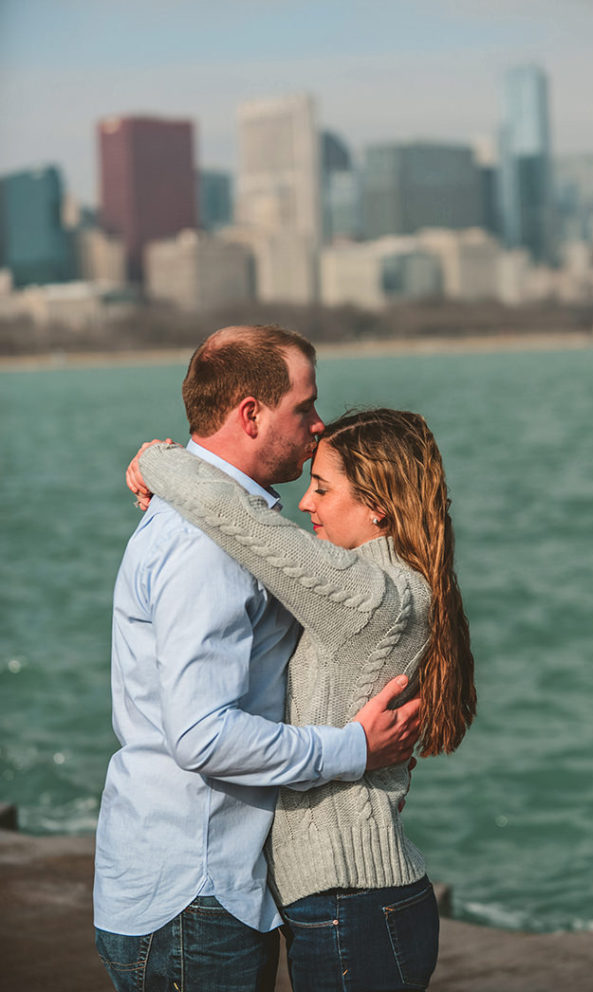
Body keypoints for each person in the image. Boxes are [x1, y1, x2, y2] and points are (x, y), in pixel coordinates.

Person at [94, 326, 421, 992]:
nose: (317, 421)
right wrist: (351, 749)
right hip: (200, 893)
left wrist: (159, 462)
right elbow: (202, 734)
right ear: (251, 414)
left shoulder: (215, 523)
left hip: (179, 879)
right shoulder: (207, 549)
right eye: (303, 407)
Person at [132, 406, 476, 992]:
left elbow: (241, 523)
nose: (306, 503)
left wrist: (157, 460)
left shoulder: (367, 594)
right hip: (354, 900)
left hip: (352, 902)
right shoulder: (384, 582)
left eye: (322, 487)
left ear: (378, 505)